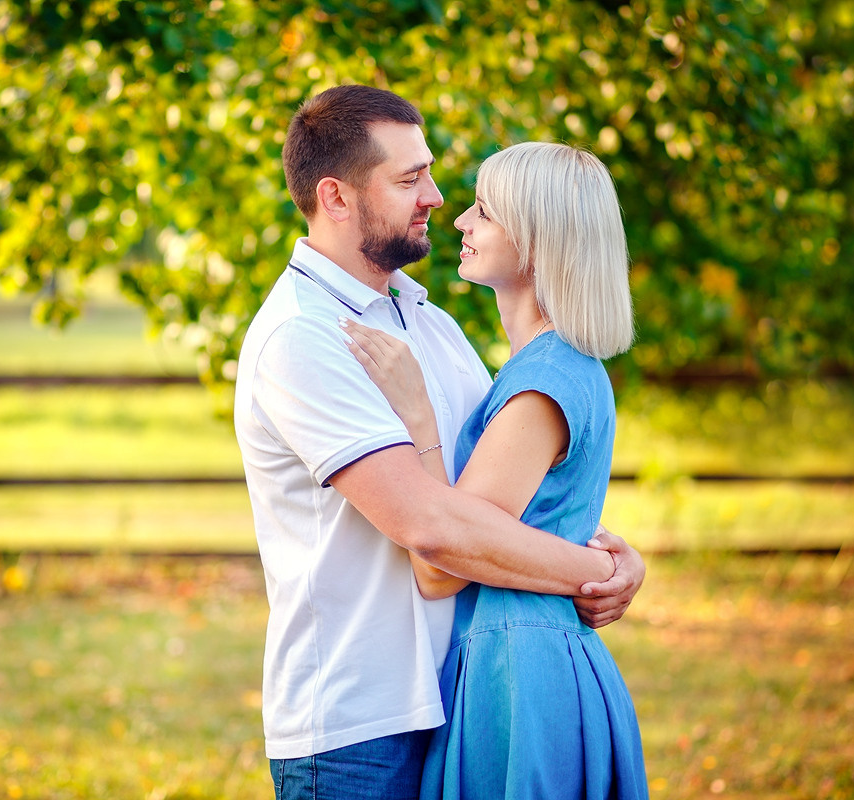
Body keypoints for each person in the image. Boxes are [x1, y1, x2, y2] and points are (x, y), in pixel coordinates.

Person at [233, 85, 645, 800]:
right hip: (360, 728)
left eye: (428, 170)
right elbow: (435, 529)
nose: (435, 195)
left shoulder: (431, 324)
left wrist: (610, 549)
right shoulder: (304, 337)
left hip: (461, 695)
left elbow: (499, 497)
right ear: (336, 197)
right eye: (408, 178)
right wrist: (589, 568)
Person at [342, 141, 648, 798]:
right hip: (520, 654)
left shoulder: (544, 381)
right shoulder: (551, 368)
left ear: (537, 243)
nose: (459, 221)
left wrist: (419, 417)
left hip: (519, 667)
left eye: (484, 210)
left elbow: (441, 565)